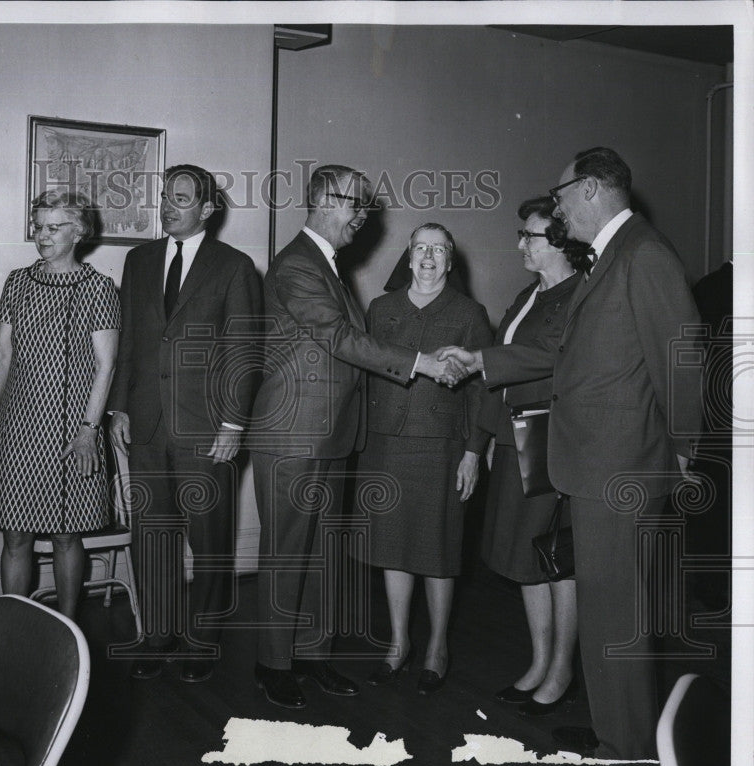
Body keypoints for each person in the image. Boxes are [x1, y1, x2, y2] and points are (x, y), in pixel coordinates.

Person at [440, 147, 703, 766]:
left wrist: (691, 450)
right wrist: (486, 362)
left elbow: (681, 357)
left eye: (559, 197)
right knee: (612, 613)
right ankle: (622, 737)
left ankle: (630, 750)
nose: (557, 210)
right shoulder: (615, 254)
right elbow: (571, 354)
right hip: (597, 464)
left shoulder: (643, 254)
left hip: (622, 470)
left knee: (619, 615)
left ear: (590, 189)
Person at [248, 164, 463, 709]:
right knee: (286, 553)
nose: (362, 218)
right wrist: (422, 363)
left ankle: (313, 655)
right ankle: (273, 663)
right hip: (292, 434)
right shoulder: (297, 263)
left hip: (329, 434)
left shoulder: (327, 264)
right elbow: (339, 337)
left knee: (322, 552)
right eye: (355, 206)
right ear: (323, 200)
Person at [109, 164, 261, 684]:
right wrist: (120, 408)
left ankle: (203, 639)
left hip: (207, 428)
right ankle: (159, 633)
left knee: (210, 538)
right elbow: (129, 338)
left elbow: (245, 351)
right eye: (164, 196)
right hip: (147, 422)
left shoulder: (235, 267)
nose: (168, 205)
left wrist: (234, 424)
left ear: (207, 209)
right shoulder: (139, 260)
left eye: (180, 197)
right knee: (151, 534)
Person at [353, 223, 492, 693]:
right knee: (392, 546)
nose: (428, 257)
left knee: (438, 548)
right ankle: (397, 642)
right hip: (386, 445)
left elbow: (482, 394)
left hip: (442, 446)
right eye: (420, 249)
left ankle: (437, 646)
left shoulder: (470, 313)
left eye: (438, 250)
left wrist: (474, 453)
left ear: (450, 262)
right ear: (408, 258)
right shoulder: (380, 308)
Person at [0, 189, 120, 620]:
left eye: (54, 228)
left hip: (75, 431)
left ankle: (67, 629)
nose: (42, 236)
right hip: (18, 426)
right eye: (38, 226)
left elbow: (105, 367)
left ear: (79, 232)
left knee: (66, 536)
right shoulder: (18, 281)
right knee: (15, 536)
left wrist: (89, 432)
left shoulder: (99, 288)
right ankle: (15, 622)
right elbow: (0, 356)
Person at [478, 197, 587, 716]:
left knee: (555, 557)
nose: (521, 243)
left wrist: (479, 359)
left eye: (531, 236)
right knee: (525, 555)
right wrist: (477, 445)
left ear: (560, 242)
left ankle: (562, 669)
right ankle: (539, 662)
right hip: (513, 436)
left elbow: (548, 356)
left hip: (547, 437)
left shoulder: (578, 295)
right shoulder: (530, 293)